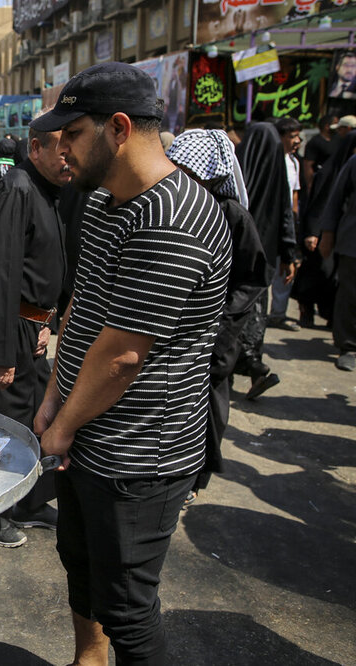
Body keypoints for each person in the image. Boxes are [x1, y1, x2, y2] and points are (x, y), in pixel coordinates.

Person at [29, 62, 231, 666]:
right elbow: (84, 312)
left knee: (128, 609)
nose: (58, 147)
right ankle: (87, 661)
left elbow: (121, 356)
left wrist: (61, 427)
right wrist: (51, 401)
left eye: (72, 133)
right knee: (82, 567)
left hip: (141, 455)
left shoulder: (173, 216)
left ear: (118, 128)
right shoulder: (102, 204)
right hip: (86, 436)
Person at [0, 123, 72, 547]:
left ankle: (27, 501)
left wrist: (47, 322)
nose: (69, 155)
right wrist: (2, 354)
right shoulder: (17, 188)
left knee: (30, 420)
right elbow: (0, 273)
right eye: (63, 146)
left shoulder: (47, 190)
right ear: (36, 147)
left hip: (30, 328)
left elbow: (44, 268)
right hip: (4, 330)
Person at [166, 129, 267, 502]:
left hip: (219, 330)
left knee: (209, 405)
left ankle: (196, 477)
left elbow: (252, 277)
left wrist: (223, 324)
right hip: (176, 327)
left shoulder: (232, 215)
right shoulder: (174, 205)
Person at [234, 122, 296, 399]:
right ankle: (254, 365)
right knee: (256, 314)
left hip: (236, 259)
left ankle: (246, 366)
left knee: (234, 314)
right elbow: (287, 216)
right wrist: (290, 255)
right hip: (266, 259)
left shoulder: (238, 173)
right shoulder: (278, 174)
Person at [296, 133, 356, 328]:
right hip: (322, 236)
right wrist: (315, 232)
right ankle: (307, 311)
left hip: (341, 237)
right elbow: (320, 205)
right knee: (319, 274)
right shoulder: (331, 173)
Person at [319, 147, 356, 371]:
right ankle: (349, 345)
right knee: (350, 295)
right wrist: (327, 234)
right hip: (353, 243)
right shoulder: (354, 162)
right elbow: (336, 198)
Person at [267, 117, 303, 332]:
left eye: (298, 136)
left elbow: (294, 194)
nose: (297, 141)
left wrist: (293, 219)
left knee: (285, 268)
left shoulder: (293, 162)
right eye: (292, 136)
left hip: (286, 222)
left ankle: (278, 314)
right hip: (271, 222)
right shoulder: (270, 159)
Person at [301, 114, 336, 190]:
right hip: (320, 181)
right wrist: (310, 185)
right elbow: (307, 165)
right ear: (327, 126)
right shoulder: (315, 142)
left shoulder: (338, 140)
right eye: (335, 123)